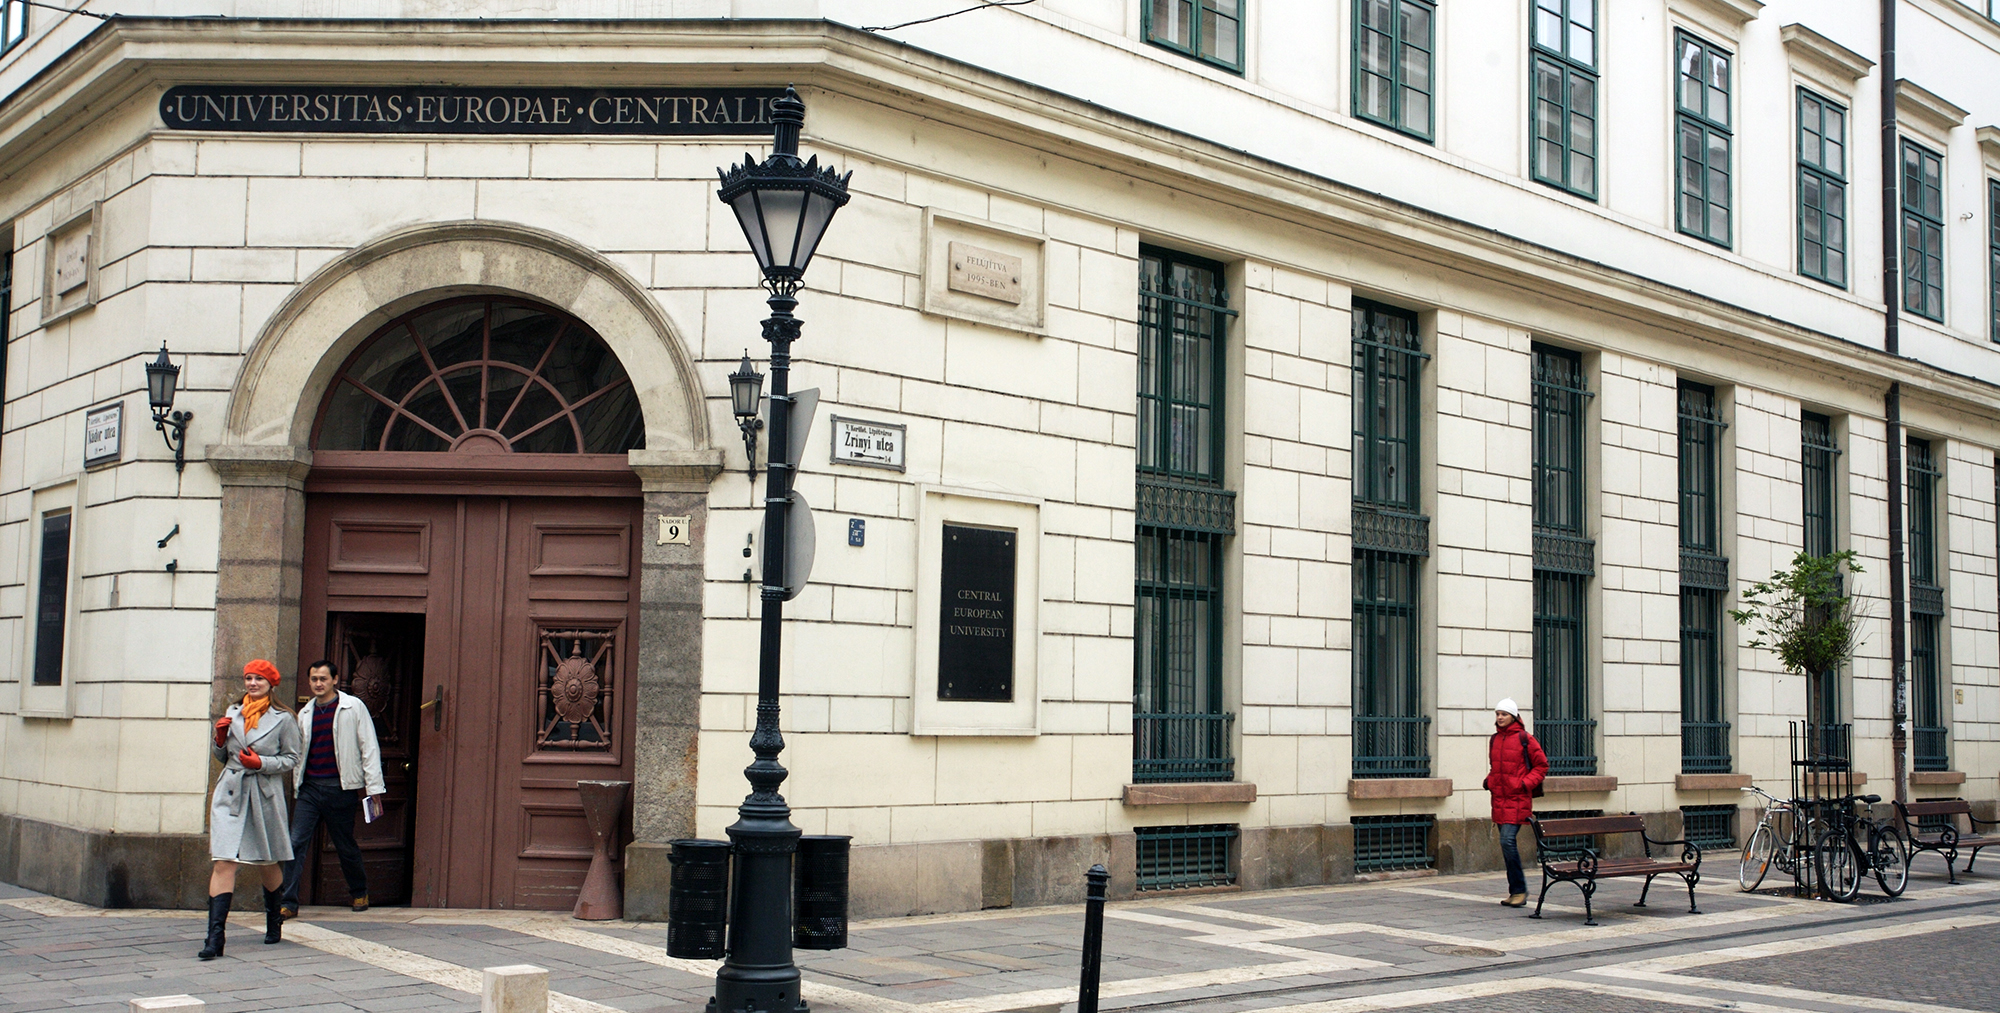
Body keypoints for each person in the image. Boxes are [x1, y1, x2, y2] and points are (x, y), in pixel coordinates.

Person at [202, 659, 302, 960]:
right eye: (248, 678)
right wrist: (219, 739)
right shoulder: (233, 712)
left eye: (259, 679)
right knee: (223, 861)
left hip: (263, 794)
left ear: (271, 684)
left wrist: (262, 764)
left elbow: (292, 759)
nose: (252, 683)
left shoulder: (284, 719)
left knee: (266, 860)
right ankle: (214, 938)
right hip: (230, 793)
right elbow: (223, 755)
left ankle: (274, 918)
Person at [279, 659, 386, 919]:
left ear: (335, 680)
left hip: (341, 789)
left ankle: (359, 891)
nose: (318, 683)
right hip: (310, 789)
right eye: (314, 679)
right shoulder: (305, 713)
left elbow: (368, 747)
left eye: (323, 679)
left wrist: (374, 788)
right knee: (295, 843)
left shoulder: (353, 707)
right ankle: (288, 903)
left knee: (344, 844)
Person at [1484, 697, 1547, 908]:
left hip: (1518, 799)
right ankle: (1515, 892)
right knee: (1505, 845)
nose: (1500, 718)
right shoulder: (1494, 739)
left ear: (1513, 716)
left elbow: (1542, 766)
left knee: (1507, 841)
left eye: (1504, 714)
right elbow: (1496, 768)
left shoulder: (1525, 739)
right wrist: (1490, 780)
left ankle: (1520, 890)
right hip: (1499, 799)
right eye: (1498, 714)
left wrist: (1524, 784)